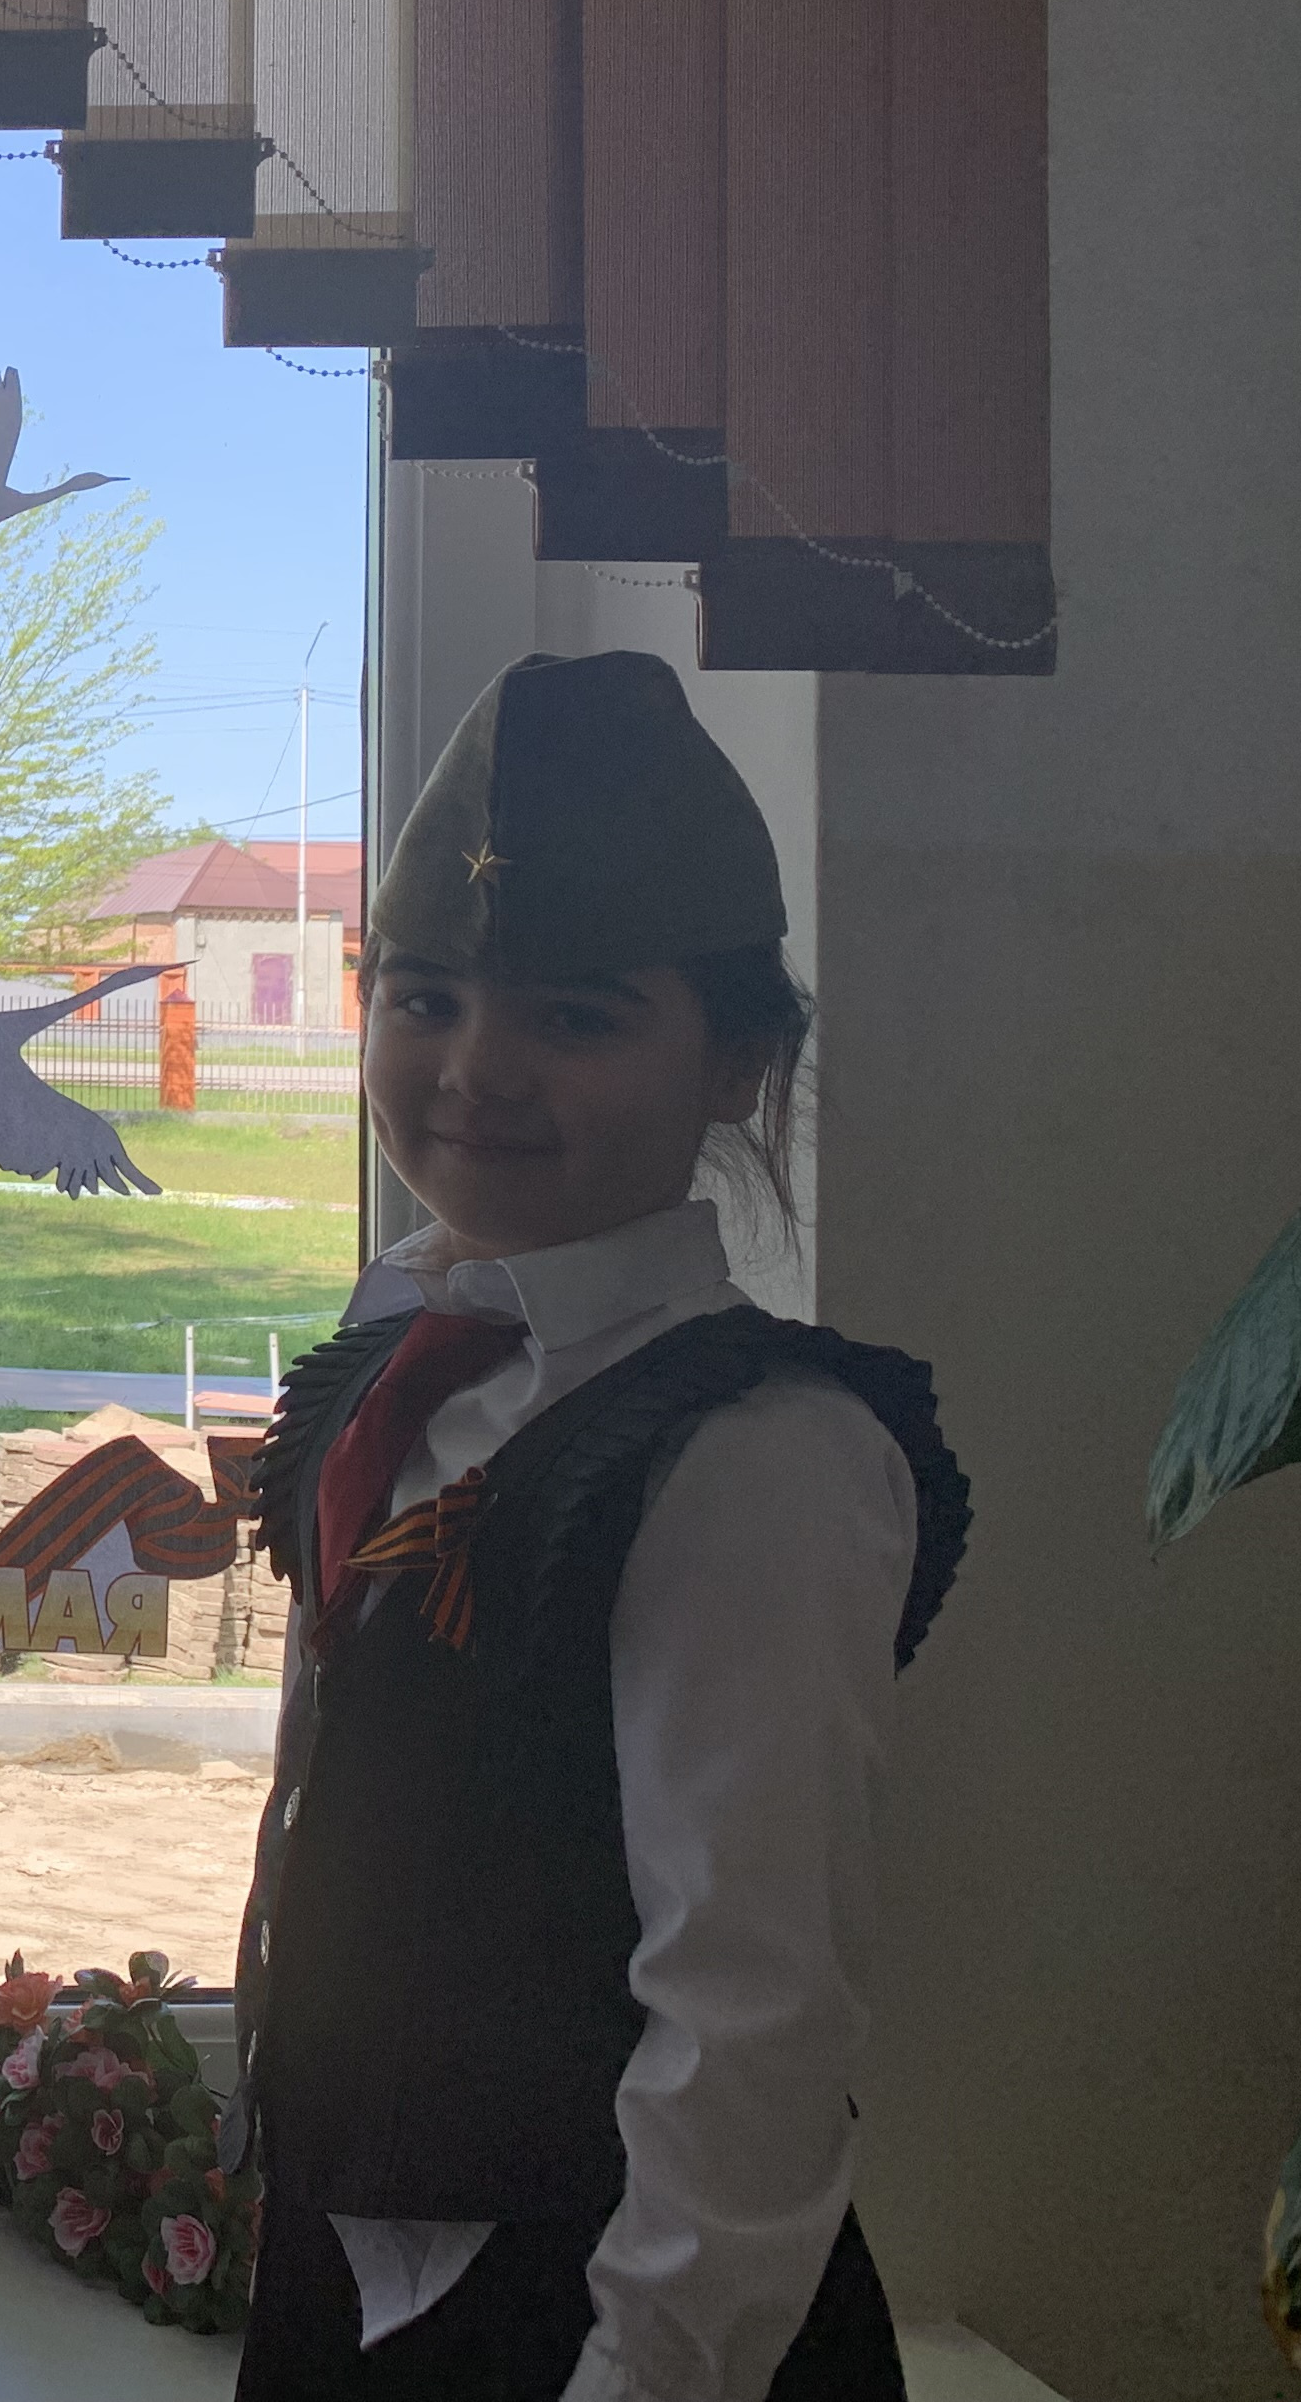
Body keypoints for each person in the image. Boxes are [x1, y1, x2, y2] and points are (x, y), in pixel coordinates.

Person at [229, 651, 969, 2402]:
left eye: (575, 1017)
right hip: (347, 2278)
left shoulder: (758, 1456)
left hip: (604, 2315)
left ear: (739, 1061)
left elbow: (752, 2014)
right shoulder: (390, 1358)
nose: (474, 1069)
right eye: (425, 997)